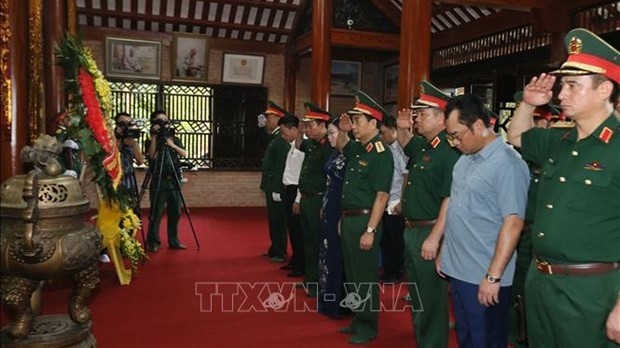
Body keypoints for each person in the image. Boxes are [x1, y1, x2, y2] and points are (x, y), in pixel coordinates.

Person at [506, 28, 620, 347]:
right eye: (562, 85)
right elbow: (516, 137)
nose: (560, 95)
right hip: (541, 281)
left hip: (592, 290)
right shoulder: (560, 140)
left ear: (604, 89)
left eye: (572, 85)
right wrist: (528, 105)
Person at [438, 94, 529, 348]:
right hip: (458, 270)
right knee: (466, 338)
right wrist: (445, 251)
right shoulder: (463, 162)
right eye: (451, 136)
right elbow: (456, 210)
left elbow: (513, 222)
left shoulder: (508, 164)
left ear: (478, 125)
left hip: (484, 275)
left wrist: (493, 277)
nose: (454, 143)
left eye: (457, 135)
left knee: (486, 341)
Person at [396, 80, 460, 348]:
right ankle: (424, 340)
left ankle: (433, 343)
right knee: (418, 296)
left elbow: (450, 198)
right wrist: (402, 129)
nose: (416, 119)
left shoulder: (449, 151)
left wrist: (437, 238)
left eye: (422, 114)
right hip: (412, 229)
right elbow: (405, 143)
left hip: (431, 231)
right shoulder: (426, 146)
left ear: (441, 118)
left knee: (432, 299)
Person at [336, 91, 393, 345]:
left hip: (366, 220)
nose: (355, 125)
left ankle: (369, 325)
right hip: (350, 218)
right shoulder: (359, 149)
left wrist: (370, 230)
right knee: (352, 273)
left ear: (374, 123)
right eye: (354, 120)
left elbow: (381, 196)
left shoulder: (381, 153)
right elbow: (340, 145)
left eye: (359, 121)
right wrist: (344, 130)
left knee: (365, 276)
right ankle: (359, 318)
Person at [296, 102, 332, 297]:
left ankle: (319, 282)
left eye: (311, 125)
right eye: (307, 125)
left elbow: (330, 179)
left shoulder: (328, 147)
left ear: (323, 126)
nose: (308, 129)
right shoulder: (313, 145)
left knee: (319, 243)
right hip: (307, 199)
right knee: (308, 241)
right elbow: (299, 146)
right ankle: (310, 278)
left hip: (319, 200)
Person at [318, 116, 348, 318]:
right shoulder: (334, 154)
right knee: (326, 255)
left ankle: (340, 304)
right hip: (329, 208)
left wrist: (343, 216)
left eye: (332, 133)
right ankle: (327, 300)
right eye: (328, 133)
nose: (329, 137)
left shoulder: (350, 156)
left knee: (338, 257)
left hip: (341, 210)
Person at [145, 110, 188, 252]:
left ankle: (174, 241)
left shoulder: (174, 139)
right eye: (159, 121)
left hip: (174, 181)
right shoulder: (151, 140)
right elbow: (152, 157)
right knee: (155, 213)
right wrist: (154, 138)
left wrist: (172, 145)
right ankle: (153, 242)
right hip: (159, 181)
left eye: (165, 121)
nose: (163, 125)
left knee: (175, 212)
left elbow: (184, 154)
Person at [259, 101, 290, 263]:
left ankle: (280, 251)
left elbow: (281, 165)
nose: (267, 121)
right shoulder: (274, 136)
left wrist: (278, 188)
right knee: (273, 219)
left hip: (276, 185)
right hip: (271, 184)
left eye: (269, 117)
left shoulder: (280, 138)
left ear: (278, 118)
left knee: (278, 220)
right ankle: (274, 248)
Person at [378, 114, 407, 283]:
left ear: (393, 130)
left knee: (395, 240)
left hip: (396, 201)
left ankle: (395, 272)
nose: (382, 136)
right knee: (385, 239)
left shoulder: (401, 149)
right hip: (386, 200)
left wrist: (402, 202)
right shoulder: (386, 149)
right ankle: (388, 270)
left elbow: (405, 177)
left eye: (384, 133)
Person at [278, 114, 305, 277]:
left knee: (298, 230)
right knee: (292, 229)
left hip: (296, 191)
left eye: (284, 132)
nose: (283, 136)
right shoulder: (292, 147)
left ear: (294, 129)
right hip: (289, 190)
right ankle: (295, 259)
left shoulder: (302, 149)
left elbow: (302, 176)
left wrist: (298, 199)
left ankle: (301, 265)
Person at [114, 112, 145, 209]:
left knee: (131, 210)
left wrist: (134, 145)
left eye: (129, 123)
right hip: (114, 180)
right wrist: (119, 141)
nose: (126, 127)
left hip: (129, 180)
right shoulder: (111, 138)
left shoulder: (131, 140)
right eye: (123, 124)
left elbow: (140, 162)